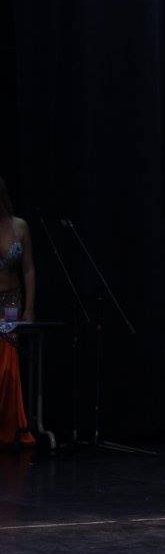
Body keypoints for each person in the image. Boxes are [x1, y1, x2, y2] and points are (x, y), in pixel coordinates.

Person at [0, 176, 36, 449]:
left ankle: (10, 427)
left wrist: (29, 307)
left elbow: (28, 269)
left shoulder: (20, 226)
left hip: (11, 303)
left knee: (8, 366)